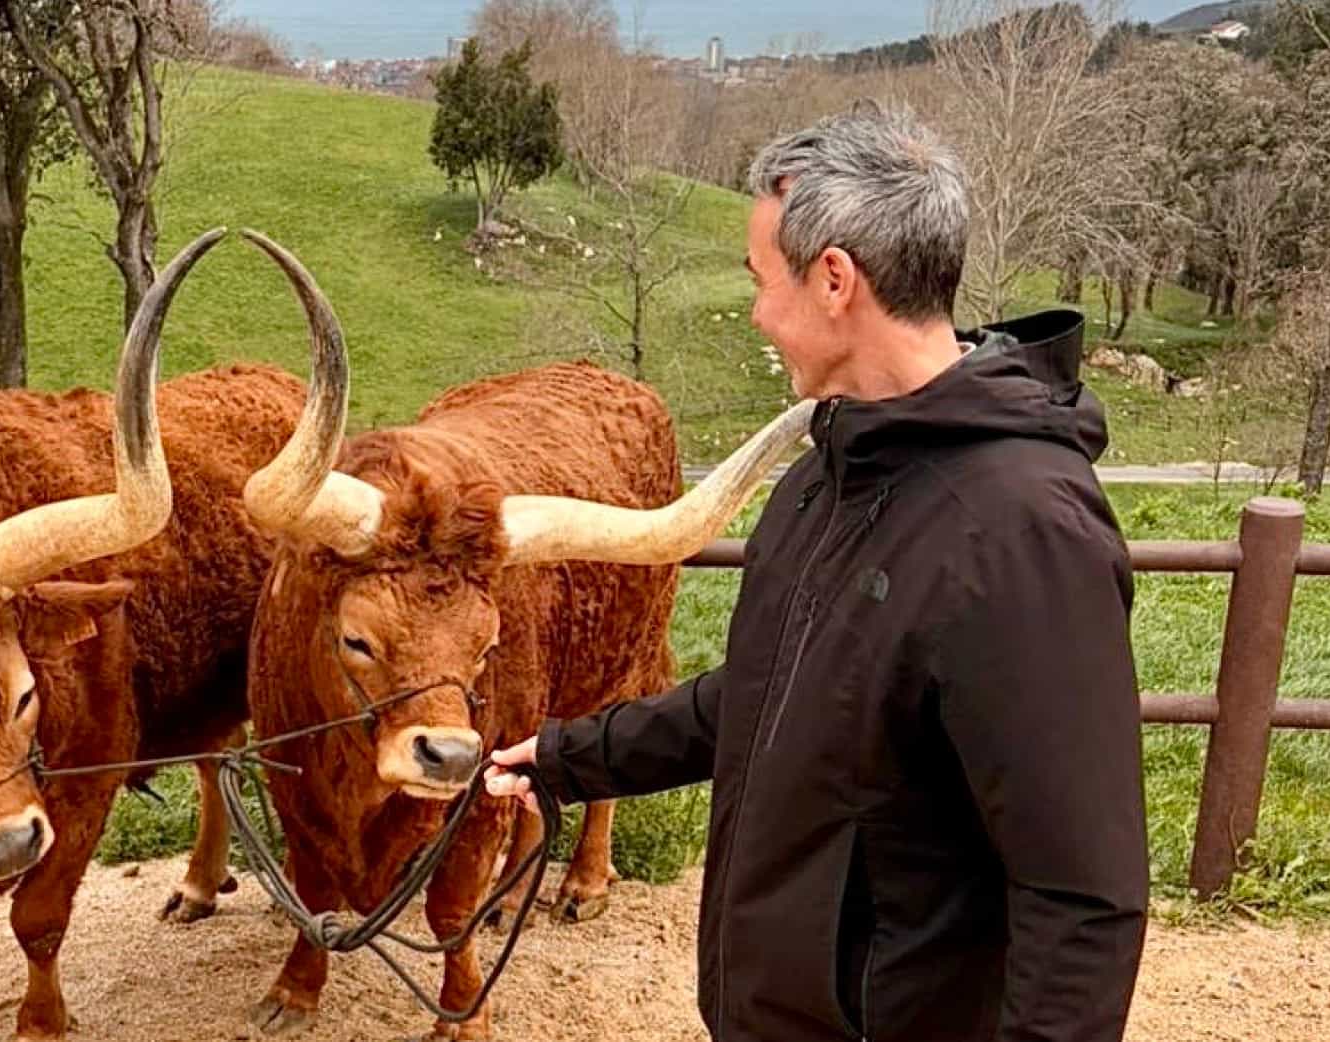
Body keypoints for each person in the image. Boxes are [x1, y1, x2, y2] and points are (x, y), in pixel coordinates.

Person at [484, 106, 1150, 1042]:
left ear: (833, 278)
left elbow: (1082, 894)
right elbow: (769, 694)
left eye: (760, 280)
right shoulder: (827, 472)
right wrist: (565, 758)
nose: (756, 310)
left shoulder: (1019, 531)